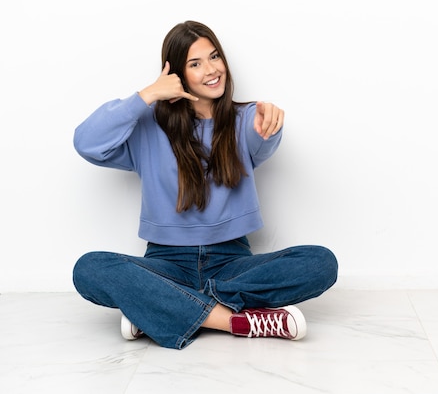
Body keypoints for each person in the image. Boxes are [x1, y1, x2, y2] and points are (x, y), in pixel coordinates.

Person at [72, 20, 338, 350]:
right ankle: (232, 321)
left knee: (320, 262)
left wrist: (269, 123)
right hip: (166, 264)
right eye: (195, 64)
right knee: (89, 268)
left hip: (232, 264)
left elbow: (263, 139)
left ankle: (159, 308)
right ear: (176, 75)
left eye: (214, 57)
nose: (212, 70)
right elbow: (87, 142)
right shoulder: (147, 125)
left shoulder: (245, 120)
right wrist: (148, 94)